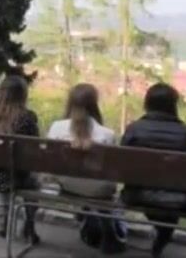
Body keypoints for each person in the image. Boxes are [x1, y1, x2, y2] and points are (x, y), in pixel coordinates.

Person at [120, 83, 186, 257]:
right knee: (169, 204)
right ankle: (162, 237)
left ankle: (161, 234)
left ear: (147, 103)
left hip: (137, 195)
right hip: (179, 199)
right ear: (173, 105)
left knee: (156, 198)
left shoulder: (134, 129)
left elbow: (121, 163)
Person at [46, 83, 126, 254]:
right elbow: (112, 171)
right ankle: (107, 230)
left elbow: (50, 163)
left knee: (83, 182)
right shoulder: (107, 134)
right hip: (98, 191)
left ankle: (86, 220)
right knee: (100, 187)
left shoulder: (56, 127)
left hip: (67, 185)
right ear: (94, 104)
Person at [0, 75, 41, 245]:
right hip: (17, 175)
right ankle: (29, 225)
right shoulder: (27, 117)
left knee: (3, 171)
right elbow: (34, 148)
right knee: (33, 182)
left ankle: (3, 222)